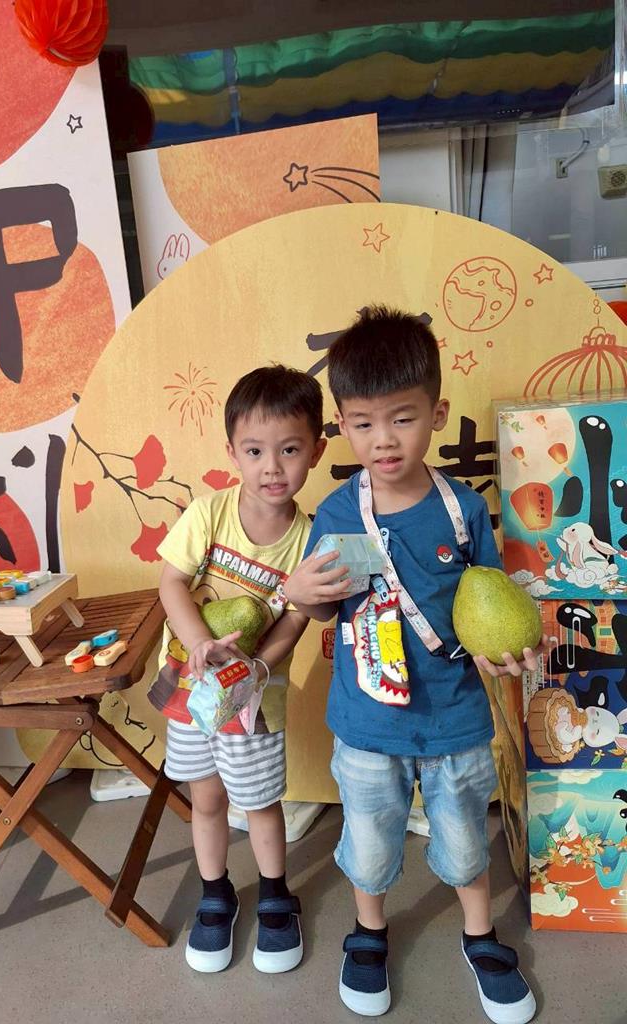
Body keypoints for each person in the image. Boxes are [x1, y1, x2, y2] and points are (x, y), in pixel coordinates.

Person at [284, 306, 548, 1022]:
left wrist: (512, 653)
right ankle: (368, 932)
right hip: (368, 723)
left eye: (402, 419)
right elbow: (331, 612)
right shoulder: (340, 516)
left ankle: (479, 935)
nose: (384, 439)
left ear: (437, 414)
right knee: (369, 841)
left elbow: (488, 606)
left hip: (456, 719)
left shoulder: (462, 510)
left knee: (464, 838)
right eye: (363, 423)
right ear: (341, 426)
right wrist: (300, 595)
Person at [149, 364, 326, 975]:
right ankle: (215, 892)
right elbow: (171, 583)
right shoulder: (208, 514)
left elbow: (294, 622)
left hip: (253, 702)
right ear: (232, 453)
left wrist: (253, 667)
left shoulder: (310, 540)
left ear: (315, 452)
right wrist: (198, 643)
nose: (271, 467)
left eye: (289, 450)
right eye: (254, 451)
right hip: (189, 691)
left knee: (259, 801)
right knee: (205, 798)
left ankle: (276, 894)